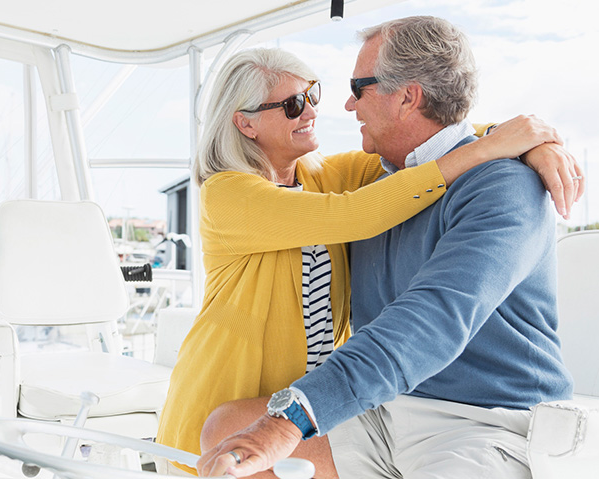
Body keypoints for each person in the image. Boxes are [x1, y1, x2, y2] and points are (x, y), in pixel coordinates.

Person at [156, 40, 581, 477]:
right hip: (237, 388)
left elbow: (437, 143)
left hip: (343, 399)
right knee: (226, 433)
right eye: (293, 104)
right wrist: (490, 147)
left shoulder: (334, 175)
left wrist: (526, 142)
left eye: (314, 94)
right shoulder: (227, 193)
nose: (316, 110)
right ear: (244, 123)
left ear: (408, 96)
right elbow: (355, 214)